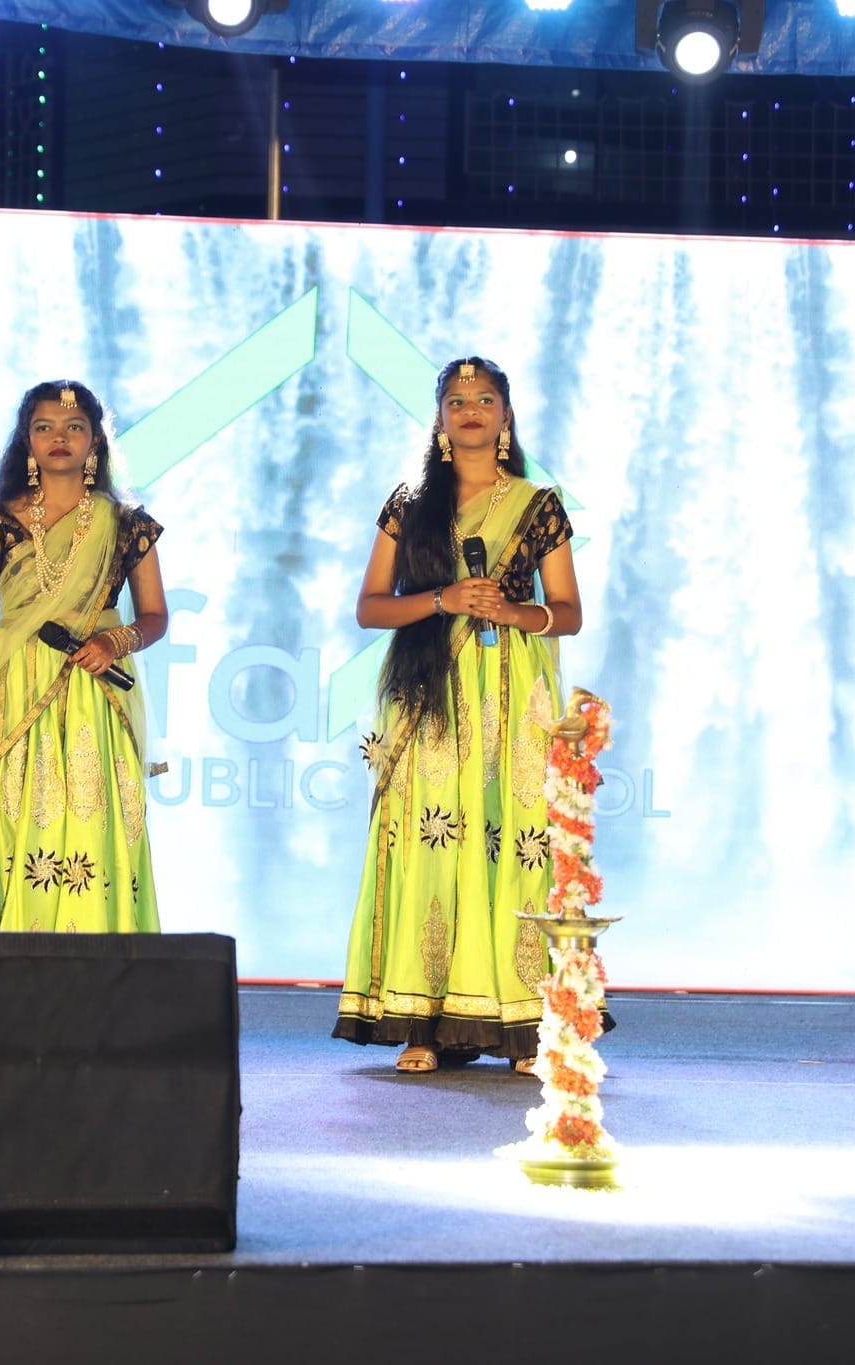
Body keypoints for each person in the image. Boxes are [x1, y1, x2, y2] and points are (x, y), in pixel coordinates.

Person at [332, 357, 583, 1075]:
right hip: (430, 691)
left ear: (506, 416)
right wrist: (444, 599)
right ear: (440, 418)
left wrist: (510, 610)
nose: (471, 409)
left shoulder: (538, 504)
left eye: (485, 398)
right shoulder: (410, 504)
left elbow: (568, 613)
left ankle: (525, 1025)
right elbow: (370, 607)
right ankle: (426, 1023)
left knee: (512, 844)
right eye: (456, 400)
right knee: (434, 845)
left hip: (512, 696)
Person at [0, 380, 166, 934]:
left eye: (74, 428)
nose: (59, 438)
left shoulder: (126, 523)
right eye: (44, 428)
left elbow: (155, 617)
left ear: (95, 442)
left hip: (95, 692)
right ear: (27, 440)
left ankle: (99, 963)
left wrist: (115, 642)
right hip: (15, 692)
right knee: (12, 820)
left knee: (92, 821)